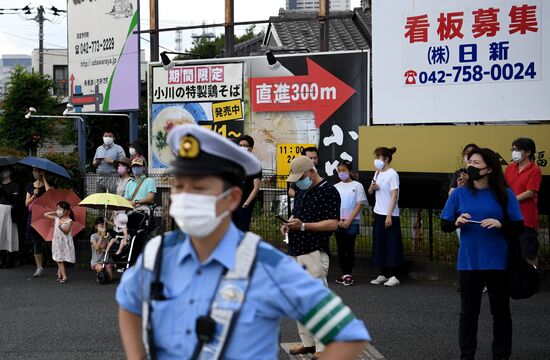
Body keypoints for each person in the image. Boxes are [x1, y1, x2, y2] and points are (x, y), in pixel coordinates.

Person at [116, 125, 369, 360]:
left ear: (232, 198)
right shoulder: (158, 253)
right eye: (179, 186)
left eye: (200, 188)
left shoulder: (264, 262)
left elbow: (346, 333)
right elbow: (129, 304)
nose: (184, 198)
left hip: (312, 249)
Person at [441, 148, 523, 360]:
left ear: (489, 169)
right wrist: (456, 222)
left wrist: (501, 223)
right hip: (469, 263)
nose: (471, 167)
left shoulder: (505, 194)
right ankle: (466, 355)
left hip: (499, 263)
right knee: (468, 314)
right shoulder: (459, 193)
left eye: (476, 163)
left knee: (501, 313)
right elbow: (444, 224)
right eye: (470, 162)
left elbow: (519, 227)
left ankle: (501, 355)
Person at [281, 155, 341, 358]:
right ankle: (308, 342)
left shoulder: (329, 191)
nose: (298, 181)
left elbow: (333, 223)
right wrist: (288, 223)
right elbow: (297, 215)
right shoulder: (302, 190)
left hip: (314, 250)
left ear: (311, 171)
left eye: (300, 177)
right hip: (296, 249)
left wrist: (304, 226)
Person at [367, 147, 403, 287]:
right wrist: (372, 187)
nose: (376, 160)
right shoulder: (377, 173)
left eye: (378, 157)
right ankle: (382, 274)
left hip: (390, 214)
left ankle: (394, 275)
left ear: (386, 159)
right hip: (378, 212)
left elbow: (394, 195)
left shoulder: (392, 174)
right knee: (380, 243)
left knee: (391, 244)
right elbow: (370, 191)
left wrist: (389, 216)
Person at [504, 138, 542, 266]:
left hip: (526, 219)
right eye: (513, 149)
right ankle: (513, 284)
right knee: (510, 253)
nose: (514, 152)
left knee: (528, 253)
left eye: (517, 149)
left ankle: (531, 282)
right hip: (509, 218)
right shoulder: (509, 168)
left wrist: (511, 200)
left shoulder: (535, 170)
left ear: (527, 152)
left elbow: (530, 192)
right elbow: (504, 188)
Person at [334, 160, 368, 286]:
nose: (341, 173)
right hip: (339, 221)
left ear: (350, 171)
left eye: (344, 170)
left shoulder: (357, 186)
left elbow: (359, 204)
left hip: (352, 222)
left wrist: (349, 220)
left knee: (350, 248)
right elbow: (333, 205)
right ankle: (345, 274)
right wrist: (338, 220)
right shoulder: (336, 186)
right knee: (341, 249)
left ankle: (349, 274)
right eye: (339, 171)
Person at [25, 168, 51, 277]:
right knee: (37, 242)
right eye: (33, 171)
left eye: (36, 171)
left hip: (45, 216)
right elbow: (26, 203)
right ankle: (39, 267)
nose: (34, 173)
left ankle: (60, 267)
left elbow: (50, 193)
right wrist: (33, 196)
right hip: (33, 217)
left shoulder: (47, 184)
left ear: (41, 172)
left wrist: (44, 178)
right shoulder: (30, 186)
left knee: (50, 241)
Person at [232, 135, 261, 231]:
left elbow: (256, 187)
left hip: (245, 204)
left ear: (251, 148)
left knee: (242, 230)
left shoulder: (255, 164)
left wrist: (246, 204)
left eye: (245, 145)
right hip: (232, 203)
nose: (242, 147)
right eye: (240, 145)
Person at [44, 201, 76, 284]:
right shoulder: (57, 218)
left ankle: (64, 276)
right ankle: (60, 274)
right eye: (57, 208)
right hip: (57, 242)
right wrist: (55, 212)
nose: (57, 210)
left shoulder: (69, 221)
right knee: (58, 258)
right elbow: (45, 214)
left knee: (60, 259)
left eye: (59, 209)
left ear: (65, 211)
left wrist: (59, 226)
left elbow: (66, 231)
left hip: (64, 242)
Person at [0, 167, 19, 268]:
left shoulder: (14, 185)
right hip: (0, 210)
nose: (2, 173)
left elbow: (14, 200)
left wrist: (2, 191)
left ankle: (10, 261)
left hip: (8, 211)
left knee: (9, 234)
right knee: (0, 234)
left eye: (4, 171)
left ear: (9, 173)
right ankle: (2, 260)